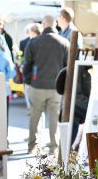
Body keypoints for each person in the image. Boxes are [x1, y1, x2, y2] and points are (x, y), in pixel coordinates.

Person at [22, 14, 69, 154]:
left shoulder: (34, 42)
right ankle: (53, 147)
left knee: (34, 116)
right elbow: (68, 67)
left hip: (37, 85)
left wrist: (29, 81)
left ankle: (32, 146)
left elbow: (27, 66)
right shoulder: (64, 42)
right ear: (54, 24)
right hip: (56, 88)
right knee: (54, 117)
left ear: (43, 24)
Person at [18, 23, 41, 111]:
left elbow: (28, 62)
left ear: (32, 32)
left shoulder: (32, 43)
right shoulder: (44, 41)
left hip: (33, 74)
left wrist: (23, 70)